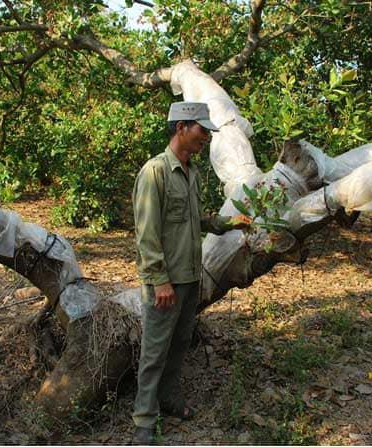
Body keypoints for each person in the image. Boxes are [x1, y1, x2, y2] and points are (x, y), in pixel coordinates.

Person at [131, 101, 251, 444]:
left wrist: (232, 221)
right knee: (154, 351)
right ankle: (143, 419)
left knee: (180, 343)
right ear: (181, 127)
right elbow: (147, 234)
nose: (207, 138)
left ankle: (167, 399)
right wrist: (159, 280)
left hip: (189, 277)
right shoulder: (154, 172)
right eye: (202, 130)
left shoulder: (191, 172)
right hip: (165, 282)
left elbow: (197, 221)